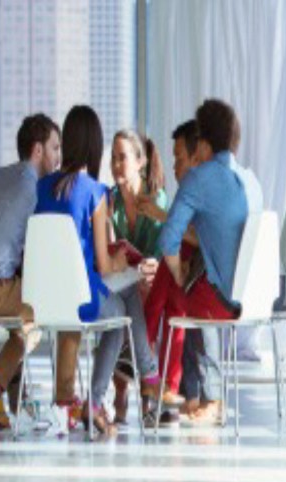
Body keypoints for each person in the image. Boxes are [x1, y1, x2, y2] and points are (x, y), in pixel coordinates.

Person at [34, 105, 162, 435]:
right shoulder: (96, 192)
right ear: (95, 145)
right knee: (122, 307)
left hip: (43, 298)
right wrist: (122, 260)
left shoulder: (42, 186)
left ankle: (139, 379)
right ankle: (110, 394)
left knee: (122, 305)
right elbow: (105, 267)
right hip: (80, 298)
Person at [156, 99, 263, 425]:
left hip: (223, 300)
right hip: (256, 296)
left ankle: (201, 394)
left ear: (203, 141)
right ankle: (192, 393)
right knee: (188, 288)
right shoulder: (250, 179)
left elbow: (167, 239)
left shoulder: (199, 179)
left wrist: (176, 271)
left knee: (178, 290)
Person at [0, 114, 61, 430]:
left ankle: (15, 403)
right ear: (38, 150)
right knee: (43, 308)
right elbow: (33, 253)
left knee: (24, 309)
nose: (58, 157)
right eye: (54, 148)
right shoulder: (32, 188)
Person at [136, 120, 202, 416]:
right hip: (182, 277)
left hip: (202, 280)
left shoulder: (204, 195)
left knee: (167, 293)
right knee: (170, 299)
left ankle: (140, 352)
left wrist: (161, 215)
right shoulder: (189, 195)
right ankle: (166, 384)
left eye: (179, 159)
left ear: (197, 158)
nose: (174, 167)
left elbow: (201, 239)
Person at [108, 128, 170, 423]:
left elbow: (165, 252)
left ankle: (144, 390)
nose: (116, 165)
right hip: (122, 279)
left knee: (145, 293)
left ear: (140, 162)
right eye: (113, 158)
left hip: (151, 281)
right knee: (117, 298)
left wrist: (152, 266)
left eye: (122, 158)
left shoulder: (157, 199)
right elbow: (105, 252)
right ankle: (131, 386)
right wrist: (105, 220)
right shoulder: (108, 202)